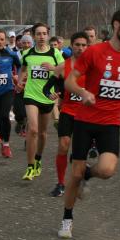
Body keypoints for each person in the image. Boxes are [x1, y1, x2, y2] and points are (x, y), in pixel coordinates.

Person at [58, 9, 120, 239]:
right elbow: (69, 82)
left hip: (110, 122)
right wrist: (83, 92)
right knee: (74, 175)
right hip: (85, 120)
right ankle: (67, 218)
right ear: (116, 25)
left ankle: (88, 173)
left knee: (107, 170)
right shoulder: (94, 52)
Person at [42, 31, 89, 197]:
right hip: (68, 111)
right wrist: (51, 95)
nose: (80, 48)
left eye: (83, 45)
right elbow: (46, 88)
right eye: (77, 45)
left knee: (80, 151)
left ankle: (78, 179)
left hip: (86, 114)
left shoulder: (93, 67)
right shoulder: (63, 66)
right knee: (63, 146)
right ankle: (61, 183)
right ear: (72, 46)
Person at [17, 23, 62, 181]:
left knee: (42, 133)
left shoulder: (55, 53)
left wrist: (53, 68)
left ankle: (38, 159)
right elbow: (23, 69)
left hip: (47, 97)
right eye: (38, 34)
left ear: (48, 35)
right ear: (34, 36)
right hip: (31, 95)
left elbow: (63, 72)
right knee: (33, 130)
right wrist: (20, 81)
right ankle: (30, 166)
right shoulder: (27, 53)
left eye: (44, 34)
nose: (42, 37)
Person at [0, 29, 21, 158]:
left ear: (5, 40)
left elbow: (20, 66)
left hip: (7, 90)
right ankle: (2, 139)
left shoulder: (11, 53)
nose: (0, 42)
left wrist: (17, 77)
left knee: (4, 115)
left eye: (2, 39)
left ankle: (6, 144)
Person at [13, 34, 32, 136]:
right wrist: (14, 76)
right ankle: (20, 121)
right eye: (24, 42)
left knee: (29, 110)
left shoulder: (34, 54)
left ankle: (26, 129)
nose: (26, 45)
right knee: (17, 109)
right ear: (20, 43)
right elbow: (12, 67)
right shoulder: (16, 54)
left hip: (31, 85)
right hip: (19, 83)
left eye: (28, 43)